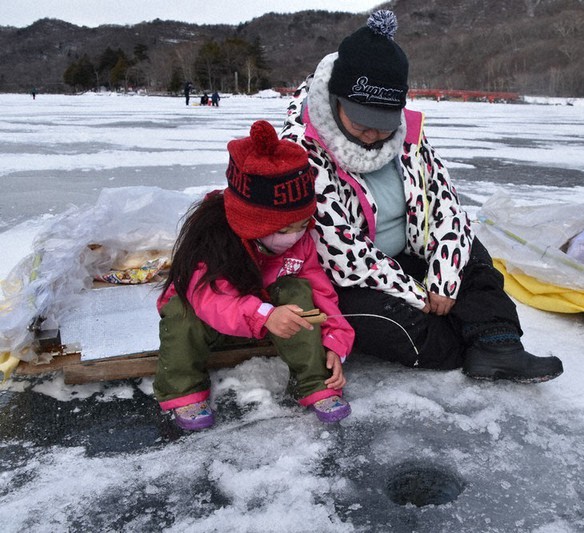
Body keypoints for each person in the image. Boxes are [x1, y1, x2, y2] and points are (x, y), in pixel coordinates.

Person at [280, 10, 563, 383]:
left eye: (384, 125)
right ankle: (462, 340)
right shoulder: (301, 151)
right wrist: (418, 294)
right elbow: (339, 251)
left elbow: (445, 205)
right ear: (335, 100)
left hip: (412, 254)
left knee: (470, 250)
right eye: (361, 123)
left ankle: (497, 343)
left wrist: (443, 279)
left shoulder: (409, 135)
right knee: (389, 325)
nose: (373, 135)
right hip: (356, 279)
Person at [153, 120, 355, 430]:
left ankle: (316, 381)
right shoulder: (211, 237)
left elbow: (320, 290)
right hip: (213, 317)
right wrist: (265, 316)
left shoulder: (300, 241)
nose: (295, 235)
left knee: (298, 291)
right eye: (284, 229)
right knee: (181, 311)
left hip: (267, 319)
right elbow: (210, 298)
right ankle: (183, 389)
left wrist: (334, 341)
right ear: (251, 220)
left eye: (302, 224)